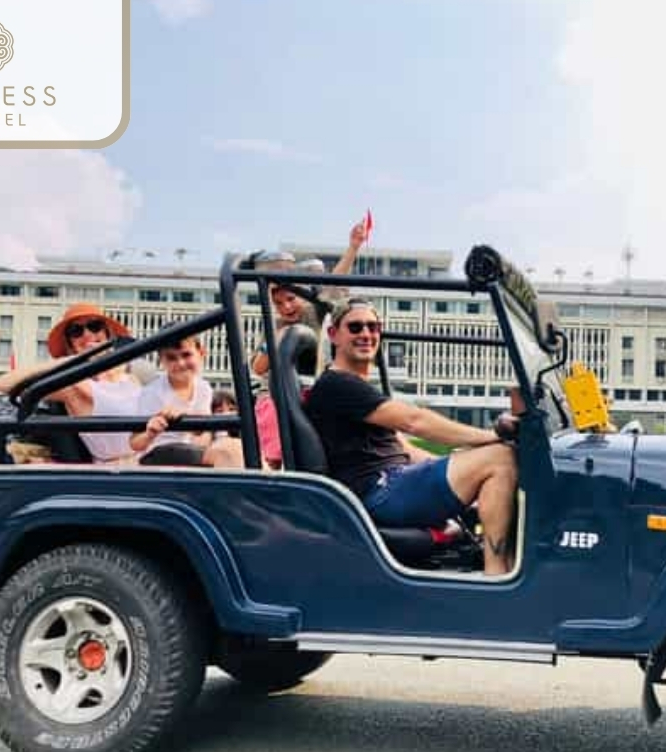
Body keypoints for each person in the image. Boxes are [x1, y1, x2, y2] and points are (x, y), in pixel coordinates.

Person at [306, 299, 519, 575]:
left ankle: (506, 564)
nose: (366, 334)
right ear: (334, 335)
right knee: (501, 458)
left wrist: (462, 464)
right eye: (355, 327)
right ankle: (498, 576)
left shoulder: (356, 387)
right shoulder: (337, 384)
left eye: (373, 327)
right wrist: (491, 438)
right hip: (379, 493)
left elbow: (404, 448)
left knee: (489, 460)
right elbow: (414, 421)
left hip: (393, 482)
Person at [0, 303, 141, 464]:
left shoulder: (132, 375)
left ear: (107, 333)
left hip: (155, 454)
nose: (87, 334)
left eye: (94, 326)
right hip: (120, 467)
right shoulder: (71, 385)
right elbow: (4, 384)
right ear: (70, 344)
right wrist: (73, 360)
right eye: (76, 331)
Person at [250, 217, 369, 379]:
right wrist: (276, 340)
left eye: (291, 299)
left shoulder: (315, 310)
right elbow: (258, 368)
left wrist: (353, 247)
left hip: (319, 379)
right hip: (289, 388)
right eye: (278, 303)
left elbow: (335, 286)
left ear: (303, 296)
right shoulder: (276, 325)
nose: (286, 307)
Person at [128, 336, 243, 467]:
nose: (181, 363)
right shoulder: (152, 392)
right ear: (161, 361)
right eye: (171, 358)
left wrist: (190, 420)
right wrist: (150, 433)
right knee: (227, 452)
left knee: (234, 447)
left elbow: (201, 432)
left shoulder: (203, 388)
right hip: (157, 452)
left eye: (186, 355)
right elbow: (134, 443)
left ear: (201, 354)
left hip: (188, 449)